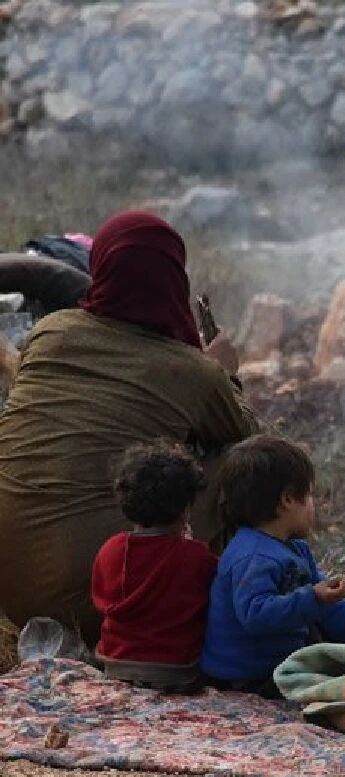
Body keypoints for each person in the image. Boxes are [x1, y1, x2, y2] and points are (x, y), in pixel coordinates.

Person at [0, 210, 258, 647]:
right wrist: (226, 375)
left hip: (9, 585)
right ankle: (229, 613)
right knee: (247, 467)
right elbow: (246, 437)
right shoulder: (194, 372)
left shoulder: (51, 332)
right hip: (104, 597)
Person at [201, 435, 345, 697]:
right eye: (308, 496)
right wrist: (313, 598)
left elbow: (329, 608)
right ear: (287, 500)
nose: (313, 505)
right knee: (343, 689)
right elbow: (256, 617)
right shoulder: (252, 557)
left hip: (280, 661)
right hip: (246, 674)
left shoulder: (295, 548)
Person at [91, 443, 216, 690]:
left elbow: (100, 598)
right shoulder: (196, 554)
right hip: (178, 671)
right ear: (185, 510)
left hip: (115, 664)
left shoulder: (111, 549)